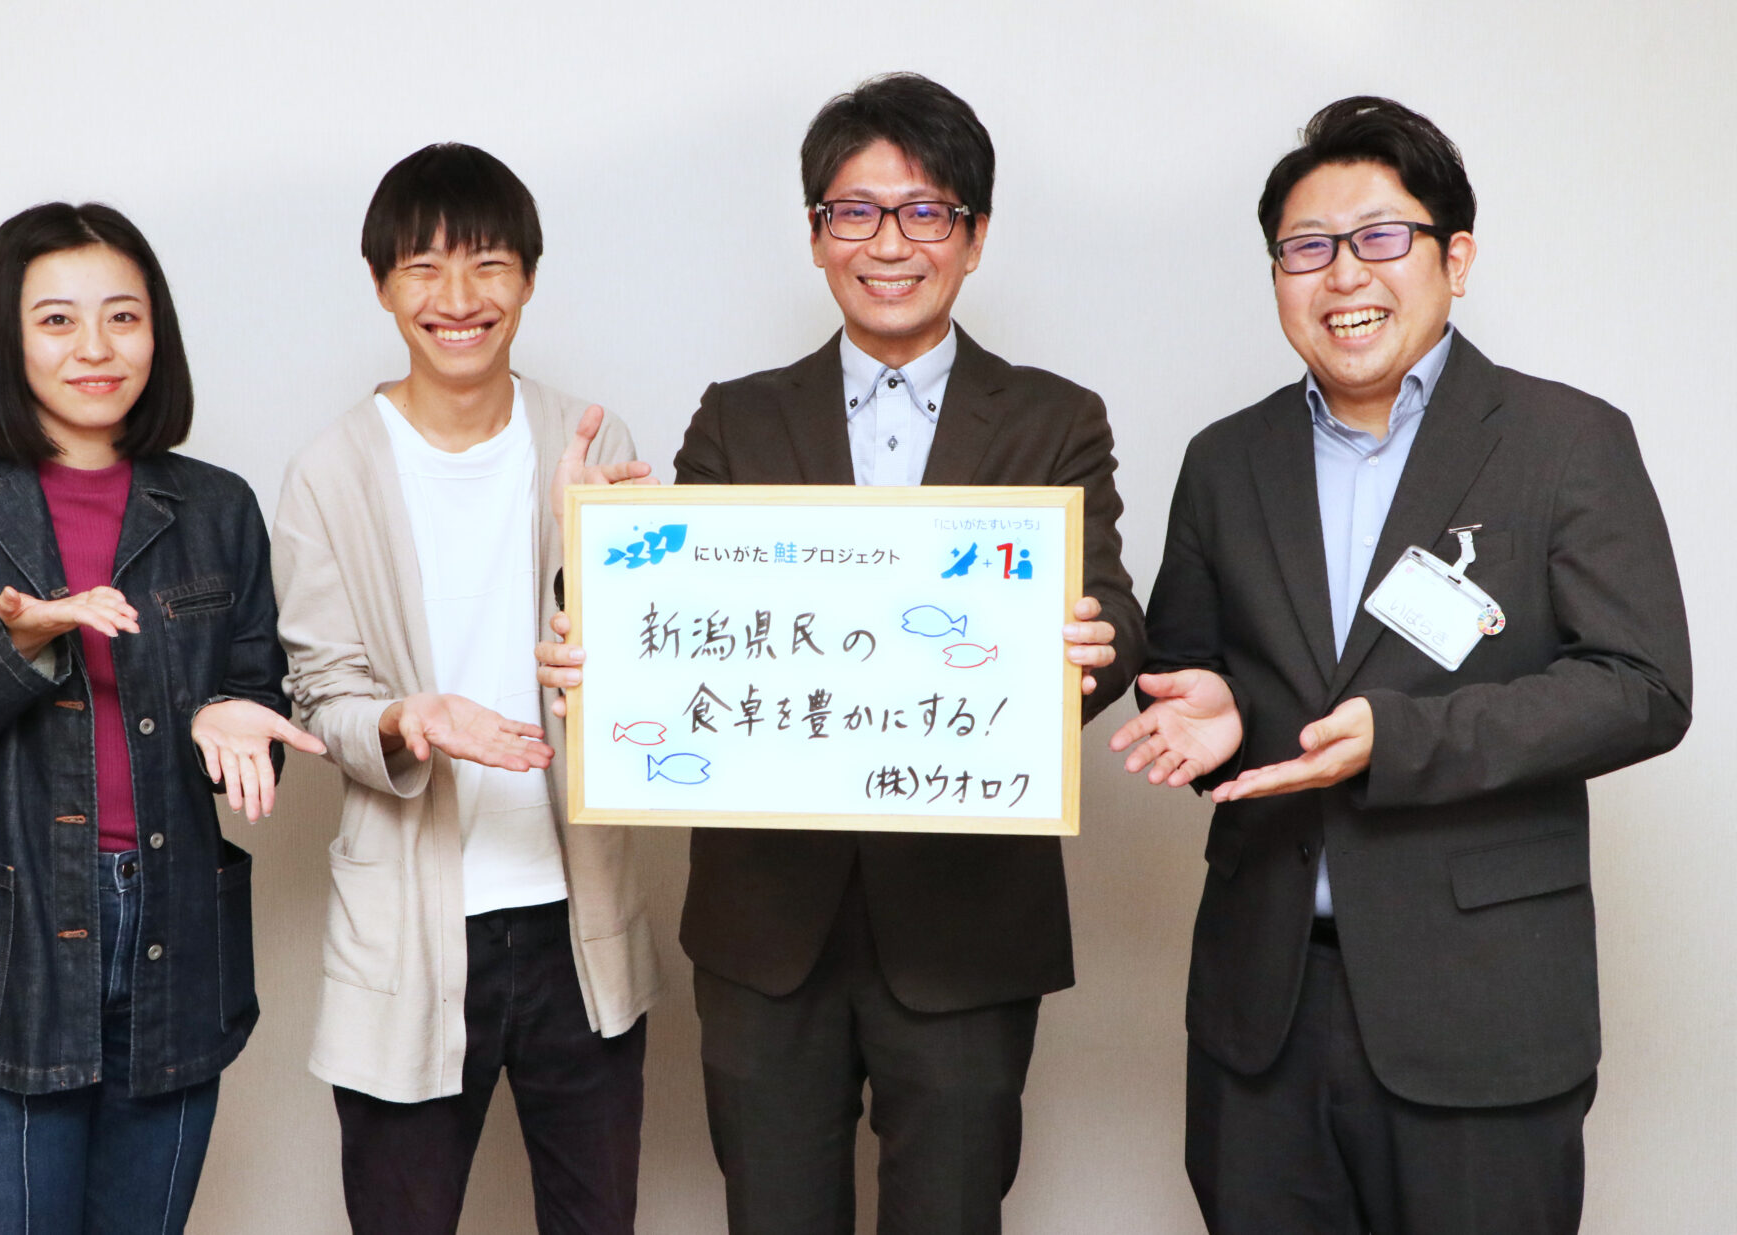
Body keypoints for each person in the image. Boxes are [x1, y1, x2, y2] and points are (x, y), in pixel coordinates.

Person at [539, 73, 1144, 1235]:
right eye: (855, 211)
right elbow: (668, 613)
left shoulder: (1055, 418)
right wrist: (589, 557)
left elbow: (1108, 607)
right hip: (767, 923)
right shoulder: (739, 415)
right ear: (817, 233)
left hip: (969, 926)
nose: (889, 243)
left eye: (925, 212)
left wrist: (1088, 644)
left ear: (974, 235)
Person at [1110, 96, 1692, 1234]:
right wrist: (1208, 711)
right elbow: (1187, 669)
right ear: (1278, 274)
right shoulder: (1226, 460)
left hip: (1481, 1005)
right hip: (1262, 1014)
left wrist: (1401, 736)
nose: (1344, 274)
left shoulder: (1565, 441)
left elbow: (1642, 685)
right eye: (1307, 248)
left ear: (1454, 258)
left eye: (1380, 236)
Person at [0, 202, 318, 1234]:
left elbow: (254, 694)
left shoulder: (217, 508)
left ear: (157, 332)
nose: (95, 347)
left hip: (176, 945)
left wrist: (231, 713)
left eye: (123, 317)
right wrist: (15, 648)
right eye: (57, 319)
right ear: (6, 338)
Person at [271, 143, 658, 1235]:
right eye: (423, 267)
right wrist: (410, 718)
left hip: (577, 920)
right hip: (408, 926)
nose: (457, 297)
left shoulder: (590, 439)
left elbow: (647, 669)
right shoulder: (328, 472)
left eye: (487, 263)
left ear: (528, 277)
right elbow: (322, 693)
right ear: (381, 285)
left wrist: (599, 544)